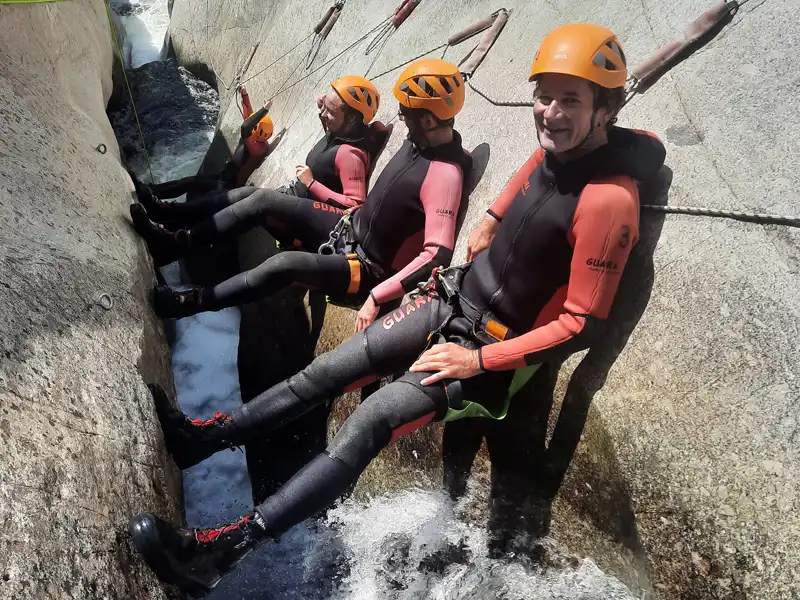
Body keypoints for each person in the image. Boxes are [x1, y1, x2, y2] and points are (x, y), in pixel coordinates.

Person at [128, 24, 666, 596]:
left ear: (605, 110)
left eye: (571, 100)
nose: (550, 112)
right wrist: (486, 223)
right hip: (447, 299)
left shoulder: (611, 201)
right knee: (323, 374)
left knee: (368, 422)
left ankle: (216, 554)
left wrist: (475, 364)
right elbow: (508, 204)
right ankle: (202, 439)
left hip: (484, 351)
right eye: (544, 95)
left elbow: (578, 324)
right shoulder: (547, 153)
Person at [141, 60, 472, 334]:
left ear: (428, 120)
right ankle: (172, 241)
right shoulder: (420, 141)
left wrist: (378, 296)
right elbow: (373, 130)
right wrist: (332, 105)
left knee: (284, 264)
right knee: (260, 200)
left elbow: (437, 254)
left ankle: (190, 302)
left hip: (366, 267)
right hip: (347, 227)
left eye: (407, 114)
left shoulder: (446, 173)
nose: (401, 118)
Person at [130, 75, 388, 265]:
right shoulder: (340, 133)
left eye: (329, 111)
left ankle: (173, 242)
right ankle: (166, 215)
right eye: (323, 106)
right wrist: (324, 104)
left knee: (248, 206)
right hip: (292, 201)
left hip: (303, 222)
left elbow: (355, 205)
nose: (322, 113)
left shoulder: (351, 155)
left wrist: (312, 184)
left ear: (353, 119)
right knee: (240, 198)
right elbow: (330, 140)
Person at [130, 86, 274, 204]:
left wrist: (264, 110)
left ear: (257, 131)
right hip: (223, 176)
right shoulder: (257, 140)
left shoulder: (256, 149)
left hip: (227, 186)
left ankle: (151, 196)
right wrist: (245, 95)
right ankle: (151, 190)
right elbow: (248, 117)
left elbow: (245, 126)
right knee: (187, 182)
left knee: (189, 185)